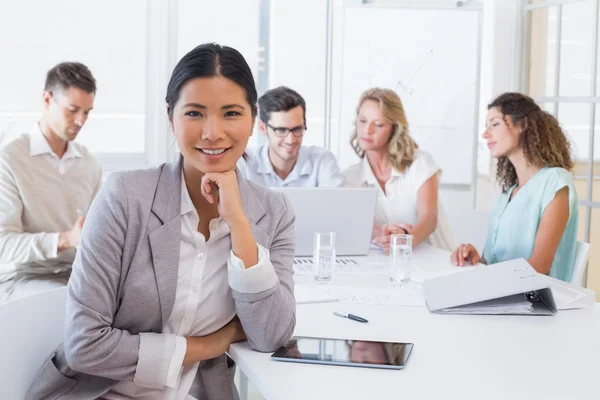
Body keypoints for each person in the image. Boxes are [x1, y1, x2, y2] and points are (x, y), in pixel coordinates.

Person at [27, 43, 296, 400]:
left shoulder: (274, 212)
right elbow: (84, 344)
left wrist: (238, 223)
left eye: (231, 113)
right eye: (195, 113)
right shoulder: (124, 196)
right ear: (171, 118)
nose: (213, 132)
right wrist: (213, 342)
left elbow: (271, 335)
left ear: (252, 120)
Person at [0, 62, 102, 303]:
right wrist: (65, 239)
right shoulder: (10, 160)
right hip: (24, 279)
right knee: (73, 305)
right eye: (73, 109)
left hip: (76, 276)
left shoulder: (89, 163)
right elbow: (3, 244)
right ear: (47, 100)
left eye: (87, 112)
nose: (80, 120)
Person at [451, 93, 578, 282]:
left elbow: (539, 266)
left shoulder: (556, 182)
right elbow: (491, 263)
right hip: (501, 293)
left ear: (522, 125)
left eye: (494, 124)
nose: (486, 134)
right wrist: (476, 259)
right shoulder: (508, 194)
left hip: (534, 301)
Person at [341, 88, 455, 252]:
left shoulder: (420, 163)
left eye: (378, 124)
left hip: (439, 261)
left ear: (394, 129)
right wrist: (387, 239)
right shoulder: (350, 179)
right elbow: (363, 225)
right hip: (394, 268)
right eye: (363, 121)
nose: (367, 130)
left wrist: (405, 241)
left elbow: (429, 218)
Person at [238, 86, 341, 187]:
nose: (290, 140)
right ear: (262, 128)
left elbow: (335, 203)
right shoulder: (246, 163)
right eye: (281, 130)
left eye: (297, 129)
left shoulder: (321, 161)